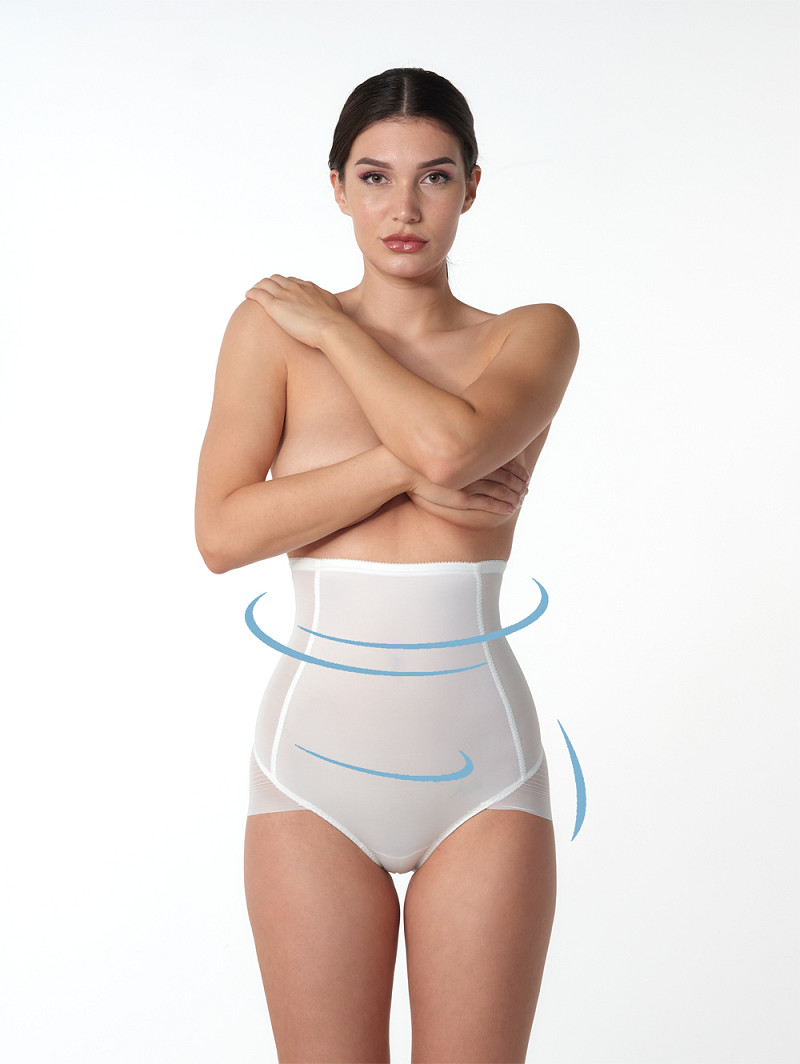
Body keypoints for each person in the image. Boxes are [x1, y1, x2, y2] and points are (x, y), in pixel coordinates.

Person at [195, 67, 579, 1064]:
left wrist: (337, 329)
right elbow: (223, 533)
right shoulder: (267, 332)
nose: (403, 208)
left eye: (434, 176)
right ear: (337, 186)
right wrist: (404, 466)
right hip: (311, 769)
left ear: (471, 186)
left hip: (484, 772)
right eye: (374, 177)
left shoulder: (529, 333)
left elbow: (449, 451)